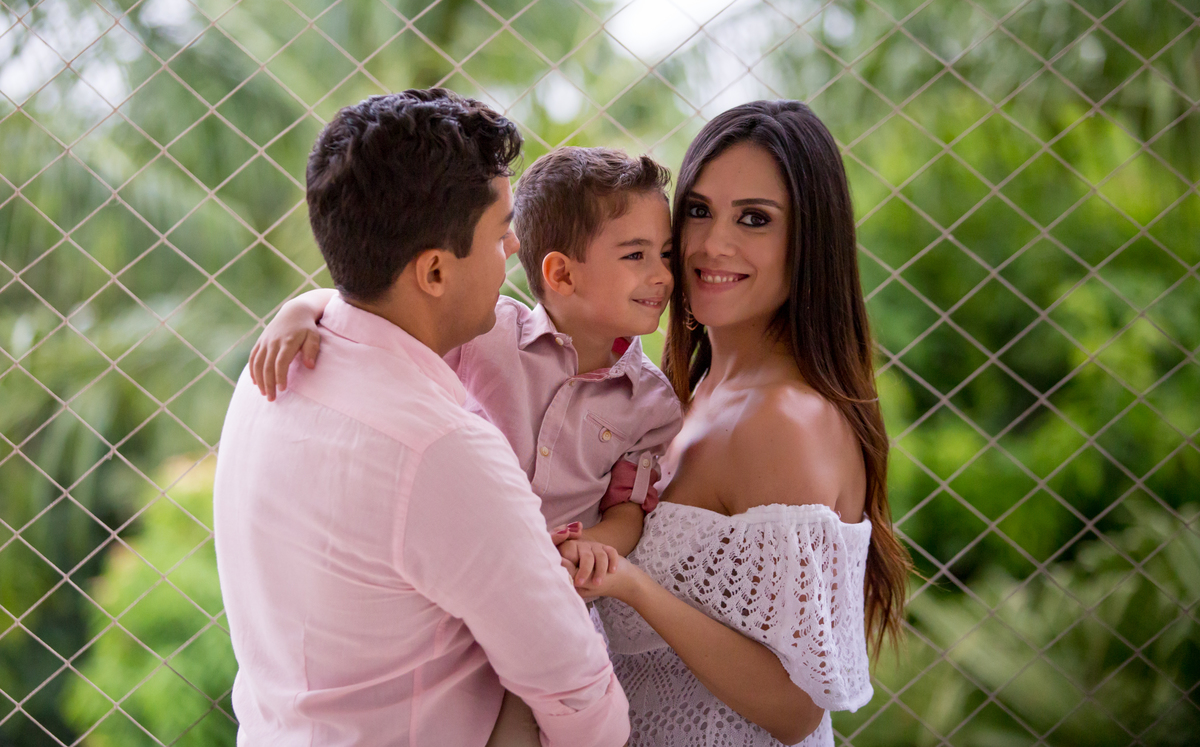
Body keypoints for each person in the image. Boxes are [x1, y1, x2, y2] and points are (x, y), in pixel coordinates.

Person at [212, 89, 629, 747]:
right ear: (434, 271)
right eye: (500, 230)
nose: (515, 244)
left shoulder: (273, 370)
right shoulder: (441, 449)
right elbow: (590, 714)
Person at [577, 100, 912, 746]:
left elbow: (796, 708)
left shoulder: (784, 421)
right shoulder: (686, 395)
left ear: (809, 241)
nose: (712, 245)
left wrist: (632, 586)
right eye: (699, 210)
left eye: (754, 219)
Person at [252, 146, 683, 574]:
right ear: (562, 274)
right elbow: (381, 310)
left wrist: (580, 552)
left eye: (665, 253)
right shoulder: (484, 331)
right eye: (636, 255)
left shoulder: (652, 404)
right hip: (449, 563)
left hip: (553, 586)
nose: (663, 275)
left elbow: (627, 512)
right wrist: (301, 308)